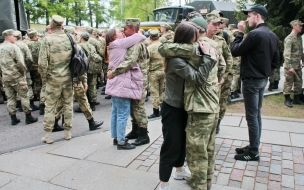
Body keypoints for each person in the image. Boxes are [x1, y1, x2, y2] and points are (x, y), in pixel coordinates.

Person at [158, 22, 218, 190]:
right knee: (171, 145)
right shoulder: (177, 60)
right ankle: (164, 183)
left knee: (184, 142)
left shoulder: (185, 55)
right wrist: (207, 57)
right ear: (184, 40)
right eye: (193, 39)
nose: (196, 43)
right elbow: (198, 78)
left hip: (186, 106)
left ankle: (179, 170)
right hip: (173, 108)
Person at [231, 4, 280, 161]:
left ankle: (253, 152)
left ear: (257, 16)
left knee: (252, 116)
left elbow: (235, 50)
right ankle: (254, 146)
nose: (247, 19)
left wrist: (239, 32)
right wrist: (264, 72)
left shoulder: (254, 34)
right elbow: (276, 61)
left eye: (250, 15)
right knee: (256, 115)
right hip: (261, 80)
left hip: (252, 81)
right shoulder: (272, 35)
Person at [107, 18, 150, 146]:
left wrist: (113, 72)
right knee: (133, 106)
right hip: (134, 79)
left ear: (132, 28)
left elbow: (130, 62)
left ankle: (144, 134)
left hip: (138, 80)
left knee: (138, 107)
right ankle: (136, 130)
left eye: (125, 28)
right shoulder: (132, 42)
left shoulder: (136, 43)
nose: (123, 31)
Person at [39, 15, 74, 144]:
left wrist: (44, 77)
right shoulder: (70, 38)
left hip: (53, 79)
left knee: (50, 107)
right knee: (68, 105)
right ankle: (67, 133)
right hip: (68, 78)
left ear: (51, 26)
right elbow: (76, 59)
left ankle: (48, 135)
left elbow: (42, 63)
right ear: (62, 26)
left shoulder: (47, 39)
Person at [0, 29, 38, 125]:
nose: (15, 38)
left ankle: (13, 118)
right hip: (17, 76)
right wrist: (23, 72)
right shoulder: (14, 47)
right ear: (8, 36)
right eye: (13, 36)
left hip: (5, 77)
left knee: (10, 98)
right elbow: (20, 62)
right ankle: (28, 117)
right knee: (24, 96)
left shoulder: (0, 47)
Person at [283, 20, 304, 107]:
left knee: (299, 82)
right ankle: (287, 99)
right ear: (295, 26)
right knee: (289, 82)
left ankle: (296, 98)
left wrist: (303, 60)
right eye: (300, 26)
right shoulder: (289, 39)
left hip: (297, 65)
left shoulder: (298, 38)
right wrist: (290, 66)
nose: (301, 27)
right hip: (290, 65)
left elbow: (300, 51)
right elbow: (286, 54)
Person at [147, 29, 165, 119]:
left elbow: (146, 61)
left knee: (154, 92)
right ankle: (162, 110)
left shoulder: (149, 48)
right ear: (159, 37)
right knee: (161, 91)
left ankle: (156, 111)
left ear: (150, 38)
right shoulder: (164, 46)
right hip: (163, 71)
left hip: (153, 72)